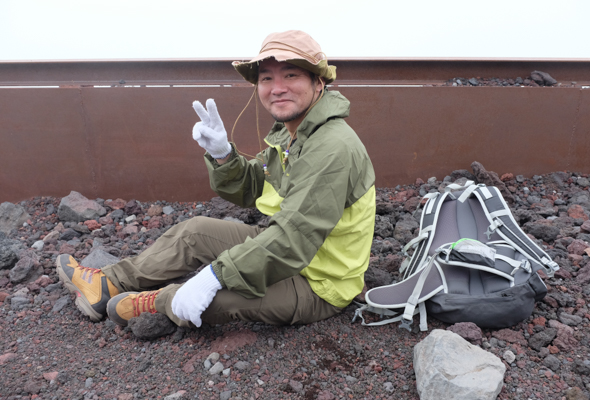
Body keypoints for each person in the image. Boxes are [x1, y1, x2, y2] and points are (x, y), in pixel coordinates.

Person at [56, 30, 376, 329]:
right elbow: (255, 186)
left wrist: (213, 276)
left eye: (291, 75)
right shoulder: (293, 135)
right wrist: (223, 155)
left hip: (320, 283)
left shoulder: (331, 147)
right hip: (290, 252)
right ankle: (106, 284)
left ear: (318, 82)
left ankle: (159, 302)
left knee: (208, 297)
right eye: (267, 78)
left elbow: (294, 239)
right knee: (194, 233)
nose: (277, 87)